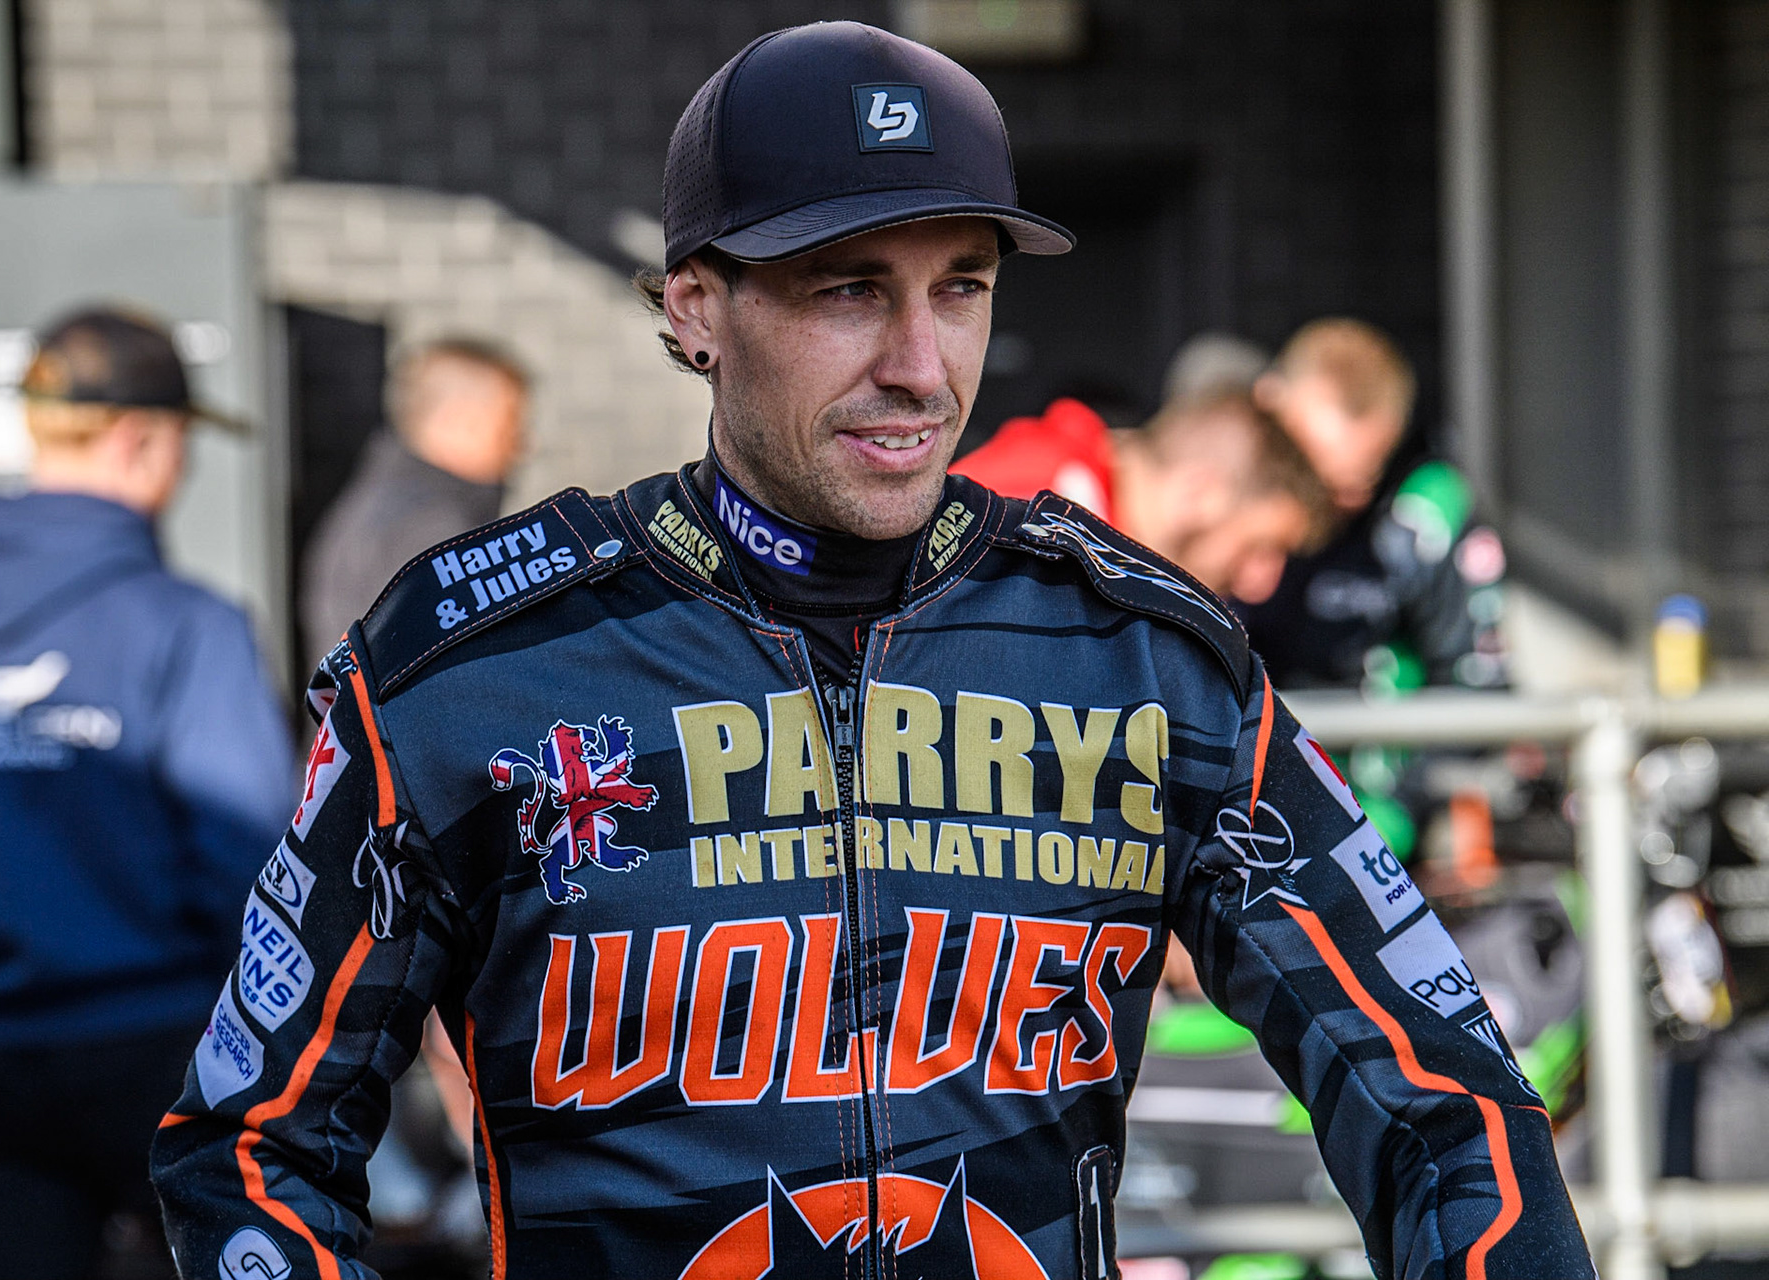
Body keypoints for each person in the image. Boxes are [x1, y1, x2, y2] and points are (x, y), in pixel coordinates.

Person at [152, 22, 1591, 1280]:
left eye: (959, 286)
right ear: (694, 306)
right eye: (849, 288)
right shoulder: (472, 663)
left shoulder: (1141, 655)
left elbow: (1446, 1094)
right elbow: (250, 1146)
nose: (920, 364)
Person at [0, 307, 294, 1278]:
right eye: (181, 446)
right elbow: (264, 865)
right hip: (174, 1050)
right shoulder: (187, 627)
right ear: (141, 438)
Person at [1243, 317, 1508, 693]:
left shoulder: (1424, 512)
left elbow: (1475, 686)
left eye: (1362, 479)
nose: (1334, 504)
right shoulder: (1225, 486)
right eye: (1310, 477)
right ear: (1266, 405)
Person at [952, 389, 1331, 605]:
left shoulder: (1077, 515)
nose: (1261, 585)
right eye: (1259, 547)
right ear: (1197, 492)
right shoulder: (1038, 507)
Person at [300, 338, 530, 663]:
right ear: (459, 419)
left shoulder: (384, 504)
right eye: (509, 428)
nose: (521, 448)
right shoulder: (434, 530)